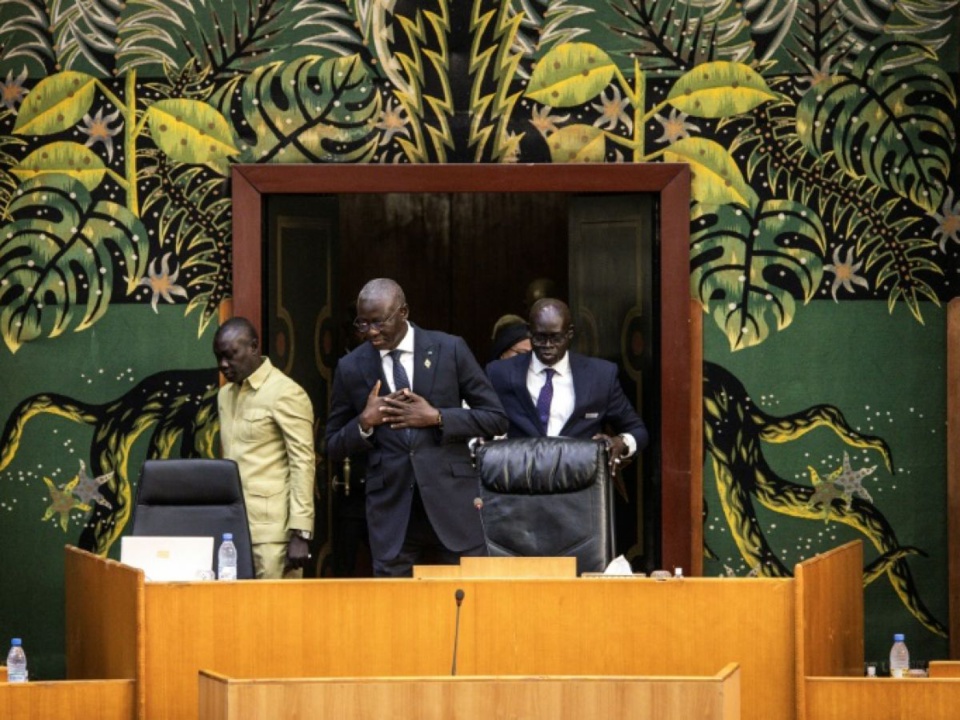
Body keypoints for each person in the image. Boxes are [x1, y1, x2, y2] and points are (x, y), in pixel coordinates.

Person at [325, 278, 508, 577]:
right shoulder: (351, 367)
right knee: (395, 613)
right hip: (392, 513)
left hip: (453, 507)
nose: (370, 332)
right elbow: (332, 444)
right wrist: (364, 423)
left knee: (469, 606)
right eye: (362, 324)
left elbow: (495, 418)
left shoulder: (450, 349)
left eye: (378, 322)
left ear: (403, 312)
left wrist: (437, 417)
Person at [485, 298, 648, 475]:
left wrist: (620, 443)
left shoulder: (600, 375)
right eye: (540, 338)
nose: (548, 346)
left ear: (569, 333)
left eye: (556, 338)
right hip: (518, 483)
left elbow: (637, 431)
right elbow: (473, 421)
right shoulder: (499, 373)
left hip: (578, 486)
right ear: (530, 333)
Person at [213, 317, 316, 579]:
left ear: (254, 347)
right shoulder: (225, 395)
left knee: (275, 615)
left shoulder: (286, 393)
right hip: (232, 528)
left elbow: (303, 462)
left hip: (272, 534)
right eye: (218, 358)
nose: (223, 365)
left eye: (230, 355)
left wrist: (301, 532)